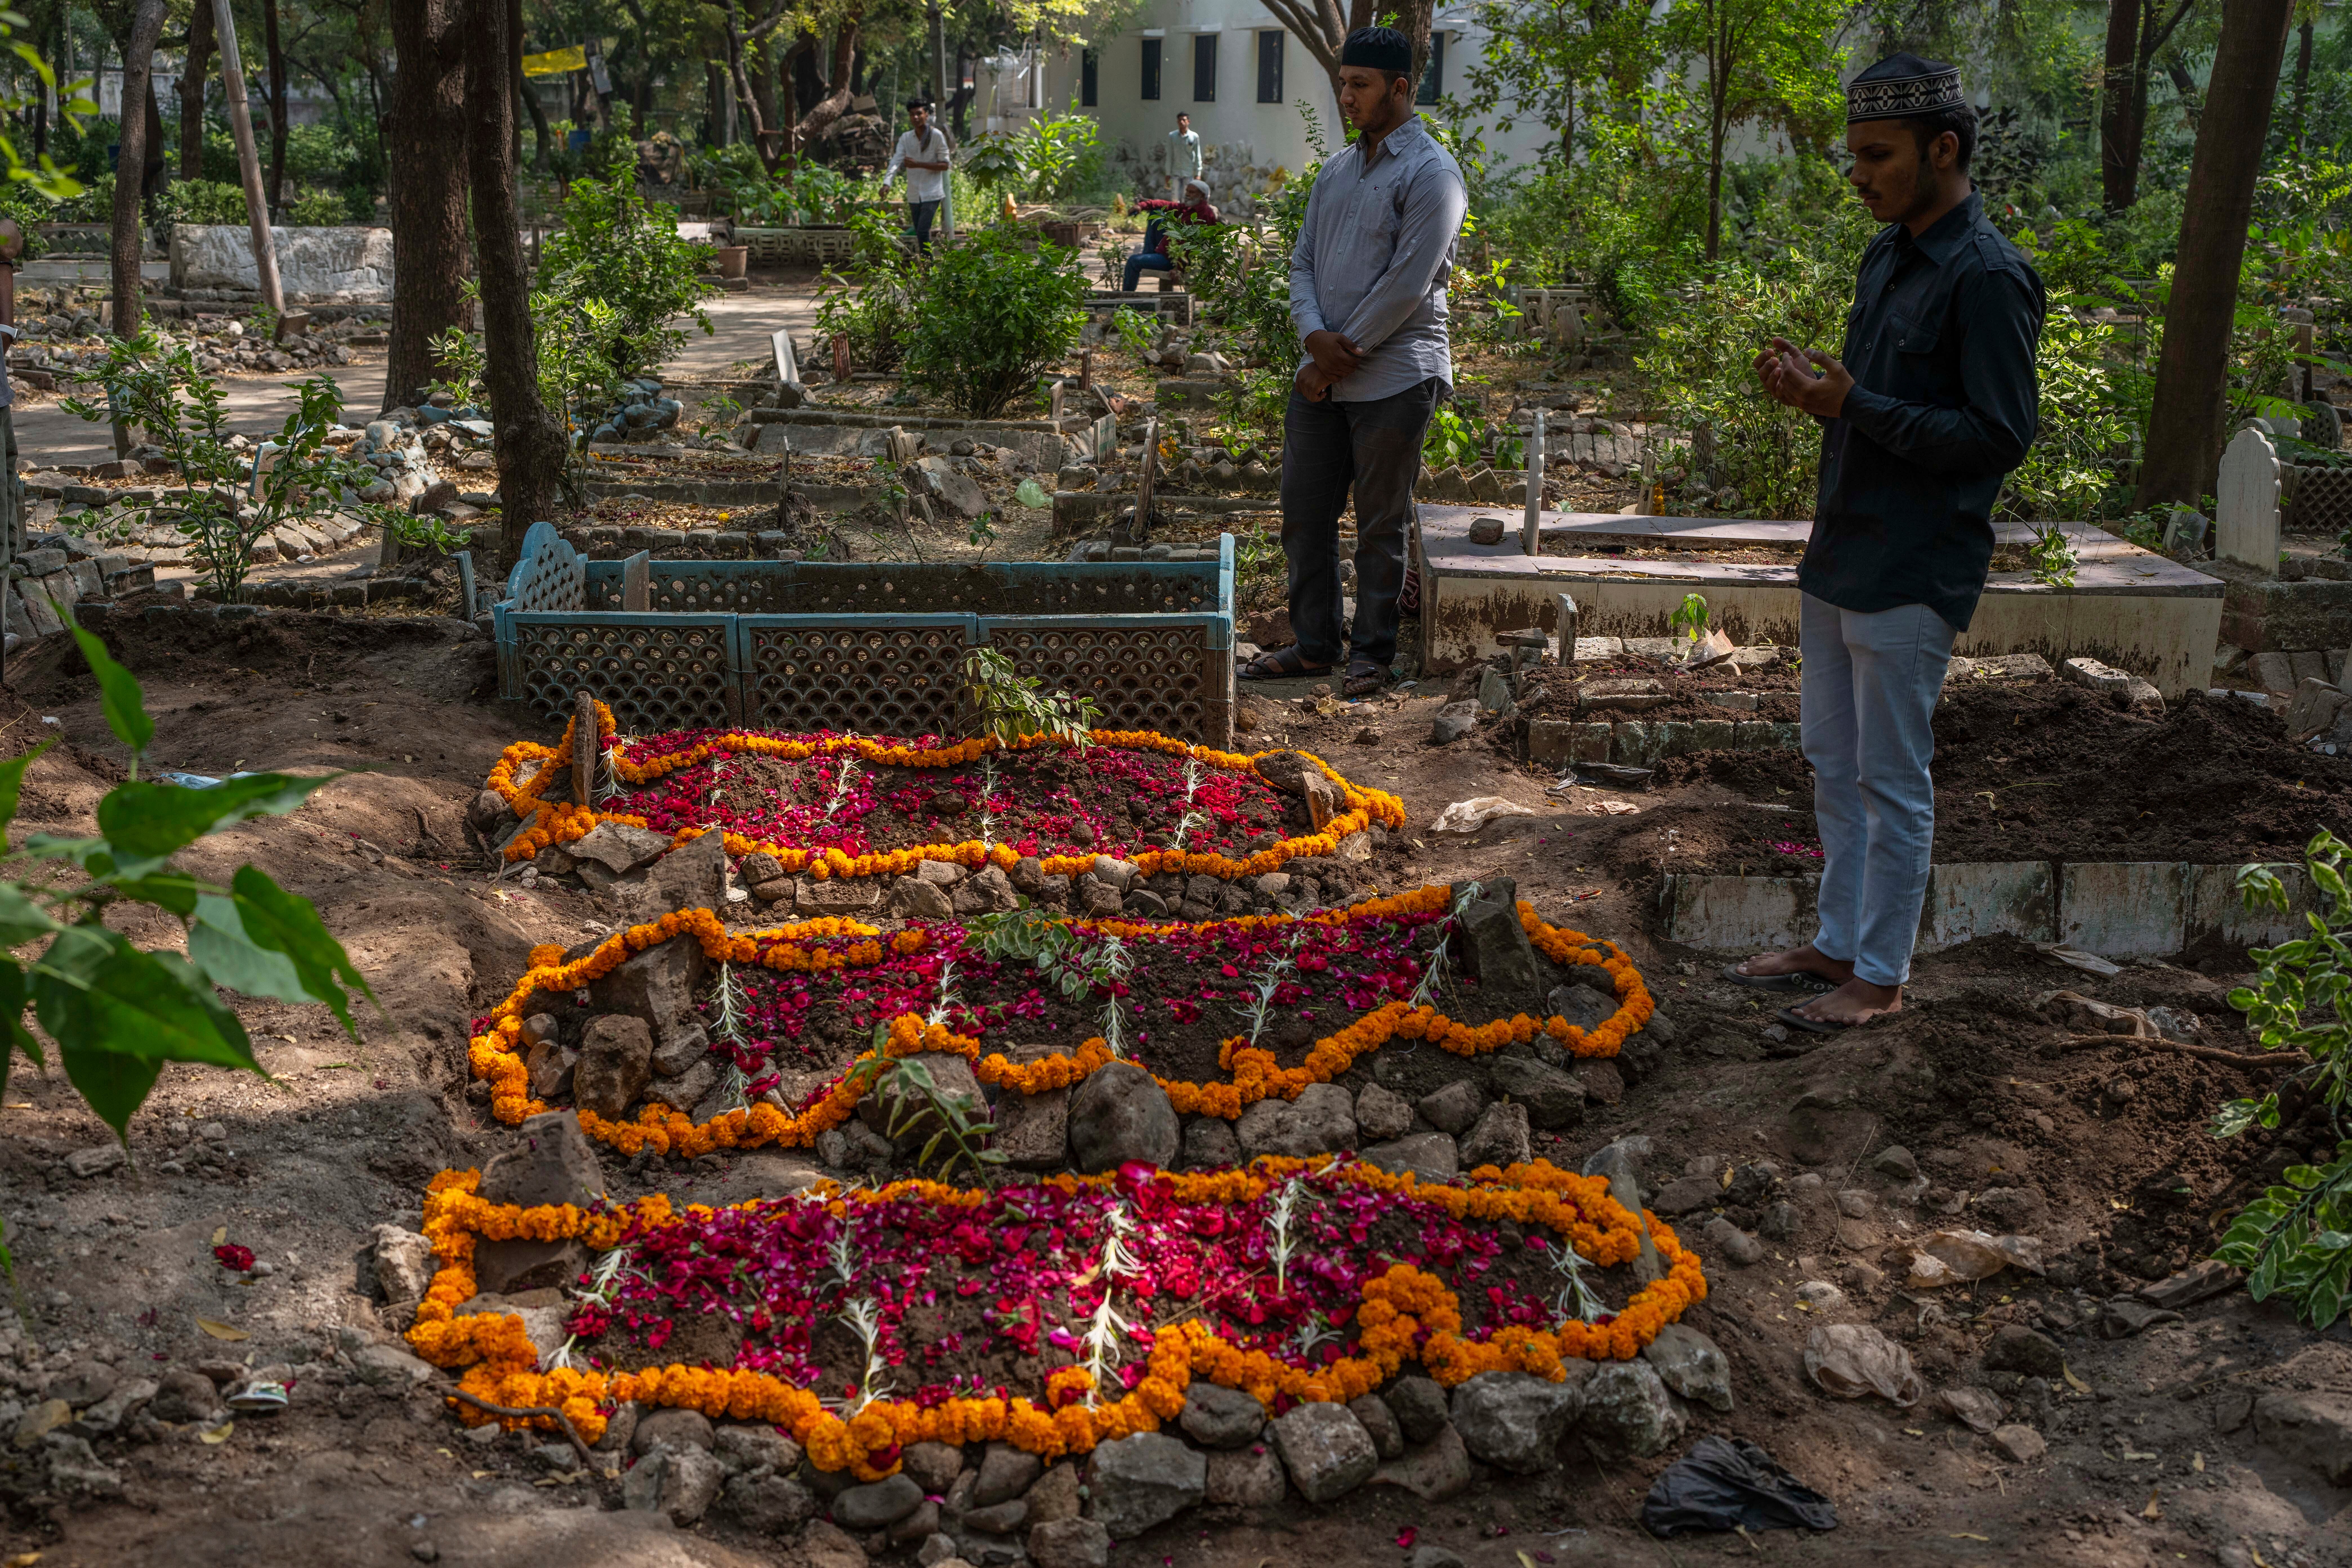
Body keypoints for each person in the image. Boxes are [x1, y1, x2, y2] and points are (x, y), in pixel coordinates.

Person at [1728, 53, 2045, 1031]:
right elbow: (1869, 408)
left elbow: (1997, 436)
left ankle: (1880, 977)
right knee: (1830, 756)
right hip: (1841, 551)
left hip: (1912, 564)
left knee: (1890, 775)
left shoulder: (1987, 277)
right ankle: (1836, 946)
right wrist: (1819, 396)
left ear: (1942, 150)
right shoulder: (1888, 255)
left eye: (1877, 155)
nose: (1856, 174)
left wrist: (1855, 403)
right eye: (1852, 153)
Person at [1242, 26, 1464, 698]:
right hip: (1322, 374)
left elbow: (1407, 284)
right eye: (1342, 83)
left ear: (1399, 89)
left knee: (1379, 524)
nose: (1345, 96)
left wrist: (1334, 357)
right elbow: (1302, 260)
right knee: (1304, 515)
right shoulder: (1337, 172)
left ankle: (1371, 653)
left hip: (1396, 376)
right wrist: (1313, 336)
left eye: (1359, 85)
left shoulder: (1432, 174)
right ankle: (1313, 645)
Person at [1124, 180, 1217, 291]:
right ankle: (1149, 254)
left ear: (1202, 196)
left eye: (1192, 192)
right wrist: (1141, 206)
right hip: (1167, 252)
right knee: (1157, 212)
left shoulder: (1203, 215)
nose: (1187, 195)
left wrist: (1179, 268)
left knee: (1133, 261)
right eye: (1187, 191)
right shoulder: (1189, 208)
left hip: (1172, 260)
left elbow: (1192, 245)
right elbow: (1166, 204)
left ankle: (1127, 297)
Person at [886, 99, 953, 254]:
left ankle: (927, 267)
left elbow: (945, 165)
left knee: (923, 230)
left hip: (932, 193)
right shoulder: (906, 138)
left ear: (926, 115)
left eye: (919, 114)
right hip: (914, 194)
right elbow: (896, 161)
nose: (915, 118)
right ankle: (925, 266)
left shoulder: (937, 136)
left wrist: (919, 164)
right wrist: (887, 183)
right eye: (912, 115)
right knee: (920, 232)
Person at [1167, 111, 1203, 203]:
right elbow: (1170, 156)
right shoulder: (1172, 136)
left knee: (1186, 197)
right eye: (1180, 120)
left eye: (1184, 120)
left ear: (1188, 122)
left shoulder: (1194, 137)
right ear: (1177, 122)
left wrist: (1198, 174)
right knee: (1175, 197)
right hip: (1176, 172)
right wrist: (1168, 173)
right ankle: (1175, 216)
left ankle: (1185, 216)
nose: (1182, 122)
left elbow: (1198, 155)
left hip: (1189, 173)